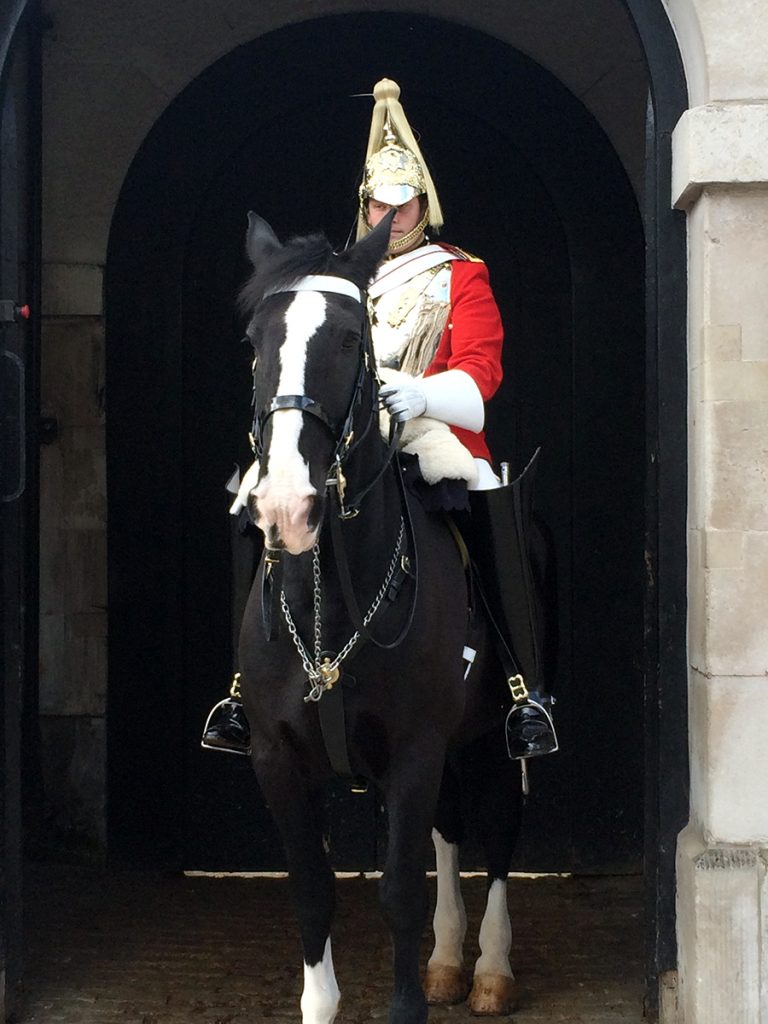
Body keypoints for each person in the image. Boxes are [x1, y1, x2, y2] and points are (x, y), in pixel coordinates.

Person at [202, 78, 557, 763]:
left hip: (430, 429)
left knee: (491, 498)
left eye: (405, 202)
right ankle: (243, 687)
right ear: (361, 205)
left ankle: (522, 692)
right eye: (378, 203)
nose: (392, 215)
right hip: (345, 431)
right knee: (252, 496)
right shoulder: (332, 276)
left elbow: (482, 372)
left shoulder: (461, 274)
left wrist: (421, 396)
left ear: (425, 203)